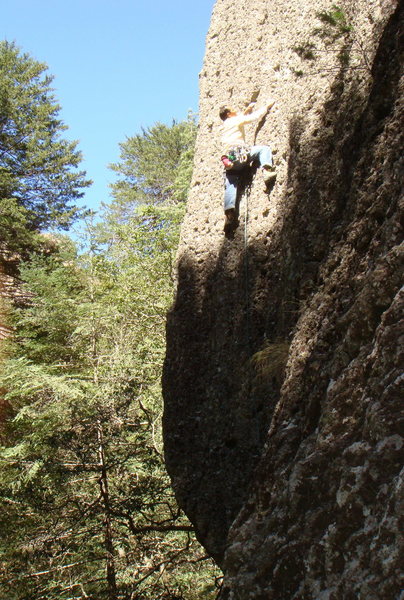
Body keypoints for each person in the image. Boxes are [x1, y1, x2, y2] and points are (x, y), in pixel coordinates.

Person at [219, 100, 276, 230]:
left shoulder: (224, 127)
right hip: (242, 154)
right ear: (228, 113)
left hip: (231, 159)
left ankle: (229, 215)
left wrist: (247, 110)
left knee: (230, 184)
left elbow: (240, 118)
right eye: (232, 109)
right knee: (264, 149)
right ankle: (267, 170)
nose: (234, 109)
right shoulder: (233, 120)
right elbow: (253, 118)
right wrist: (266, 107)